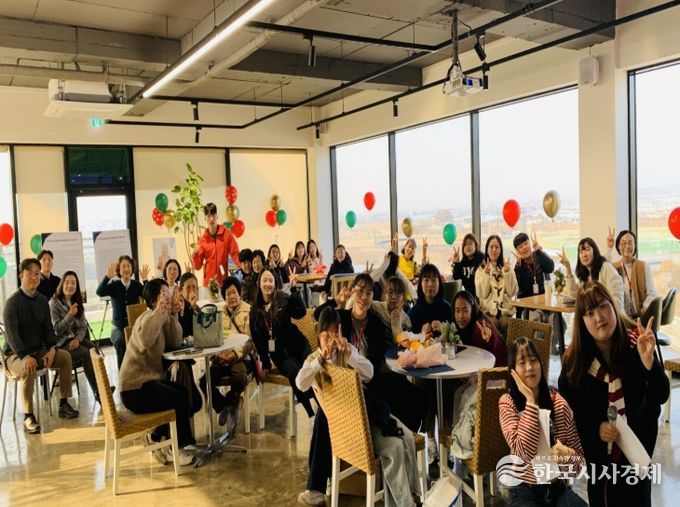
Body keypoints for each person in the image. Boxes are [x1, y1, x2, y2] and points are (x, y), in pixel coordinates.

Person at [296, 306, 421, 507]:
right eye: (326, 336)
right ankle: (405, 503)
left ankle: (411, 497)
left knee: (405, 438)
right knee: (395, 447)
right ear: (318, 337)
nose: (331, 341)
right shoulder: (313, 360)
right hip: (349, 428)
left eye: (334, 334)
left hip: (370, 415)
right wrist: (320, 359)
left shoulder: (347, 351)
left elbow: (369, 373)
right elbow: (300, 383)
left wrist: (349, 354)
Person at [558, 281, 669, 507]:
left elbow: (660, 396)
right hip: (601, 462)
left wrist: (649, 365)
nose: (599, 317)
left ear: (613, 305)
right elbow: (572, 412)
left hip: (636, 455)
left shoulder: (636, 344)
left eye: (603, 306)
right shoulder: (576, 363)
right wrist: (596, 428)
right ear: (582, 321)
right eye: (590, 313)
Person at [499, 337, 586, 506]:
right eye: (522, 362)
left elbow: (579, 466)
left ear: (541, 364)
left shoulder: (558, 404)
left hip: (557, 489)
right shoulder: (508, 403)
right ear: (513, 370)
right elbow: (523, 454)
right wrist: (531, 403)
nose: (529, 367)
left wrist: (567, 455)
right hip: (523, 489)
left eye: (533, 360)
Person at [119, 278, 195, 466]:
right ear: (153, 299)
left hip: (147, 384)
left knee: (181, 391)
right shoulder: (146, 318)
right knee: (177, 399)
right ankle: (178, 449)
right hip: (134, 389)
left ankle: (157, 436)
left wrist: (173, 314)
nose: (168, 296)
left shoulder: (160, 318)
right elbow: (146, 339)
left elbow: (175, 341)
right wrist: (161, 312)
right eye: (164, 292)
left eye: (168, 292)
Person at [3, 258, 79, 434]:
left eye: (37, 274)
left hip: (38, 351)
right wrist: (24, 356)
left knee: (64, 357)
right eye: (29, 273)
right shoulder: (12, 303)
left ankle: (63, 403)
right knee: (28, 367)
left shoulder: (42, 301)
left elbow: (48, 330)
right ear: (21, 276)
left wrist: (52, 348)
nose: (34, 277)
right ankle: (28, 416)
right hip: (14, 355)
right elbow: (12, 336)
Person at [250, 267, 314, 417]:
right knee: (295, 372)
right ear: (259, 283)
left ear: (275, 284)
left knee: (311, 371)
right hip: (281, 355)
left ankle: (322, 412)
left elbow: (301, 312)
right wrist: (266, 364)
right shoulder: (254, 310)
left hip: (299, 345)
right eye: (265, 280)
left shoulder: (282, 298)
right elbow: (258, 340)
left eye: (270, 280)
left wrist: (294, 289)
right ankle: (311, 414)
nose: (268, 284)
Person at [199, 276, 253, 434]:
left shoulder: (248, 311)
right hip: (221, 358)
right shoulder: (218, 313)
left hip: (241, 357)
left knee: (239, 376)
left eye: (234, 292)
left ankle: (231, 401)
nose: (231, 296)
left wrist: (234, 355)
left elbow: (250, 341)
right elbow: (210, 340)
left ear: (239, 293)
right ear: (224, 297)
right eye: (228, 294)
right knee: (204, 381)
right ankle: (225, 406)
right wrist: (217, 355)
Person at [49, 270, 105, 403]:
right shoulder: (54, 303)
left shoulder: (77, 302)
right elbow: (57, 330)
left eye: (73, 283)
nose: (70, 286)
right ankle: (98, 393)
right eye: (67, 282)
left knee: (94, 349)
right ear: (62, 285)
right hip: (61, 344)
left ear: (77, 286)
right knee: (86, 353)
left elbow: (82, 327)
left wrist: (77, 339)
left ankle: (104, 388)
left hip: (74, 340)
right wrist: (70, 315)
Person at [96, 255, 149, 369]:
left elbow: (148, 296)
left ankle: (140, 372)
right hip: (118, 328)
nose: (126, 269)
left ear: (132, 268)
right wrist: (107, 277)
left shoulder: (136, 285)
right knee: (120, 341)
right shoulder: (114, 285)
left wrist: (145, 280)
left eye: (128, 266)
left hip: (134, 327)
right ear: (119, 270)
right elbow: (99, 292)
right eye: (123, 266)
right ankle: (123, 374)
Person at [558, 237, 624, 311]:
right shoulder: (585, 274)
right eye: (581, 252)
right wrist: (568, 267)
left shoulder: (606, 267)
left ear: (594, 250)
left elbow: (617, 299)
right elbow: (574, 295)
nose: (584, 255)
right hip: (594, 316)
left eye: (587, 249)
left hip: (611, 315)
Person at [609, 229, 658, 320]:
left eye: (630, 243)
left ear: (635, 246)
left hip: (640, 317)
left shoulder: (643, 266)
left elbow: (652, 293)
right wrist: (609, 248)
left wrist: (646, 305)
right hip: (621, 318)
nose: (627, 246)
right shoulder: (613, 268)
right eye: (623, 243)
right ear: (618, 246)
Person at [475, 235, 518, 335]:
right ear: (487, 249)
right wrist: (486, 274)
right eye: (491, 247)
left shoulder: (507, 267)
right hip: (488, 311)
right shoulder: (481, 269)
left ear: (501, 250)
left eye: (497, 247)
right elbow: (482, 294)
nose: (494, 250)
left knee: (506, 323)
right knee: (492, 323)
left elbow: (512, 292)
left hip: (505, 311)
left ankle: (504, 345)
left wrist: (507, 273)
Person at [452, 291, 507, 366]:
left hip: (496, 368)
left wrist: (488, 338)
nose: (460, 316)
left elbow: (490, 344)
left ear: (472, 310)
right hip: (479, 364)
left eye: (465, 311)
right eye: (457, 311)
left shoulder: (479, 327)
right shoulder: (464, 325)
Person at [192, 202, 241, 287]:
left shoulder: (227, 234)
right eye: (208, 216)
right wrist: (195, 255)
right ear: (205, 218)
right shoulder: (203, 240)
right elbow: (198, 266)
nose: (211, 219)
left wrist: (240, 272)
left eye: (213, 215)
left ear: (217, 216)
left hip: (223, 281)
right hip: (208, 283)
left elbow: (235, 254)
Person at [408, 263, 451, 334]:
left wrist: (444, 331)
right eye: (426, 280)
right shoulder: (413, 313)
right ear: (420, 283)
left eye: (434, 280)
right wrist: (421, 334)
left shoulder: (447, 309)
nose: (430, 284)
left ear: (439, 283)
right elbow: (408, 338)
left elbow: (456, 337)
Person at [513, 232, 555, 300]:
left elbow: (550, 269)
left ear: (530, 244)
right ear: (517, 251)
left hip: (541, 299)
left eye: (526, 244)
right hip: (526, 302)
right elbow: (523, 286)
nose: (524, 247)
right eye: (520, 247)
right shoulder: (518, 266)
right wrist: (520, 265)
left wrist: (539, 252)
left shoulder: (539, 255)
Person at [451, 233, 485, 297]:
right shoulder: (463, 262)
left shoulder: (482, 259)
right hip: (469, 298)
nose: (467, 247)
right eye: (465, 245)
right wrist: (456, 263)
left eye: (470, 243)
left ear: (476, 245)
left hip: (481, 297)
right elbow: (457, 279)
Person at [177, 272, 199, 338]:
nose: (191, 291)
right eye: (188, 287)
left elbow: (200, 329)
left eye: (194, 287)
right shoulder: (178, 307)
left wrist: (193, 308)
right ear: (181, 290)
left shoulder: (197, 307)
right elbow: (185, 333)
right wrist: (191, 308)